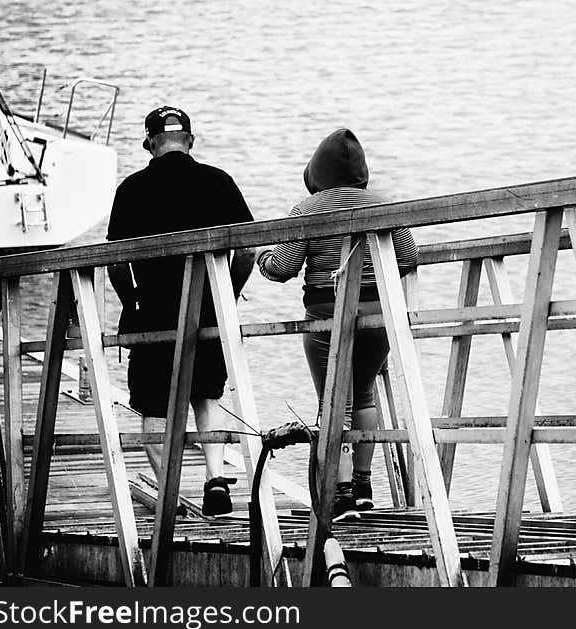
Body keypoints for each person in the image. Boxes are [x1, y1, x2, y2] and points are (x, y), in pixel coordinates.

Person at [257, 128, 418, 521]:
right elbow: (408, 257)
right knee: (362, 396)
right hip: (377, 317)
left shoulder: (307, 210)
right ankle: (364, 488)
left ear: (317, 172)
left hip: (327, 316)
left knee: (334, 402)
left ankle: (340, 495)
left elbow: (283, 268)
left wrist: (261, 256)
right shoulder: (384, 204)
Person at [107, 106, 256, 515]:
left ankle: (168, 492)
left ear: (149, 143)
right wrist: (227, 293)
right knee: (206, 395)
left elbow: (116, 263)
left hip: (153, 315)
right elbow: (246, 250)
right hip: (208, 310)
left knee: (154, 406)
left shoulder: (131, 189)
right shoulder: (219, 181)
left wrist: (131, 300)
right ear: (190, 140)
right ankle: (215, 481)